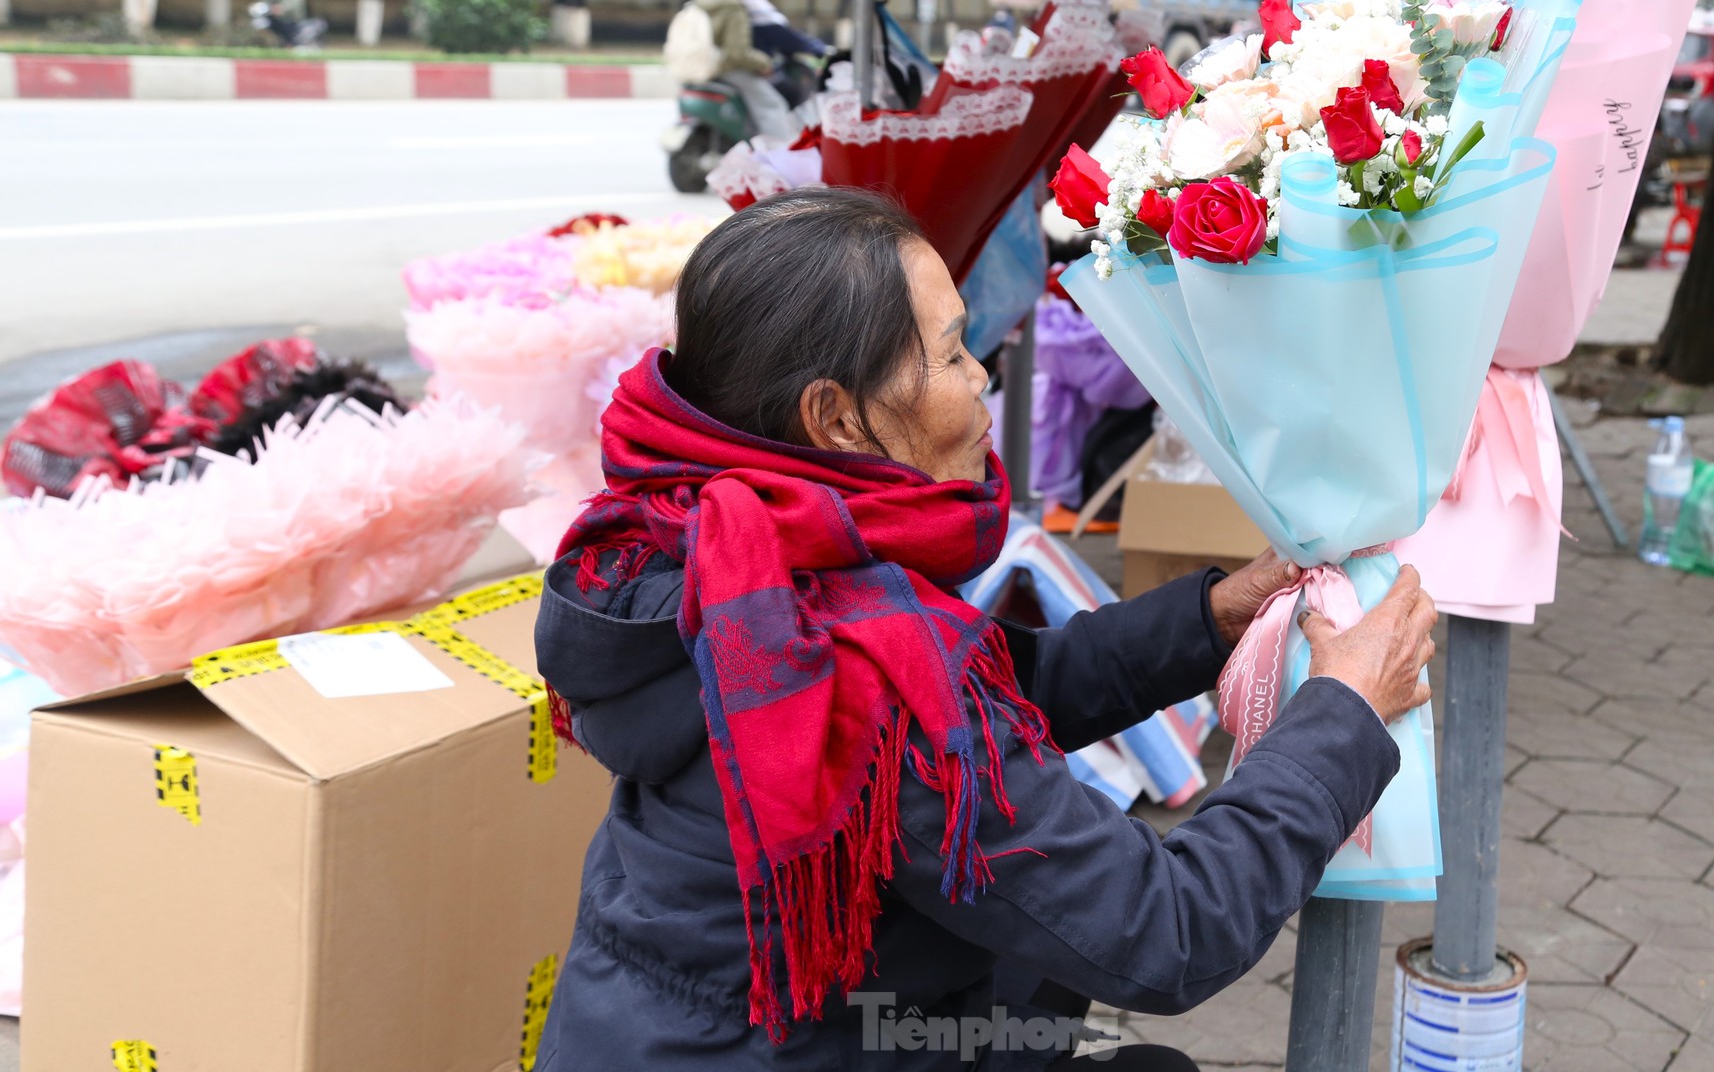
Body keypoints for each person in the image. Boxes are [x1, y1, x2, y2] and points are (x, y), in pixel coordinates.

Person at [533, 188, 1438, 1070]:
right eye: (953, 351)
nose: (982, 377)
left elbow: (989, 696)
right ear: (834, 416)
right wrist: (1340, 715)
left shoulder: (690, 543)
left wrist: (1206, 618)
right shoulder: (852, 654)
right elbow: (1167, 931)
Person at [684, 0, 797, 143]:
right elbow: (737, 53)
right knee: (772, 105)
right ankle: (781, 157)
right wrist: (764, 64)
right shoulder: (732, 3)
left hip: (698, 64)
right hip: (725, 67)